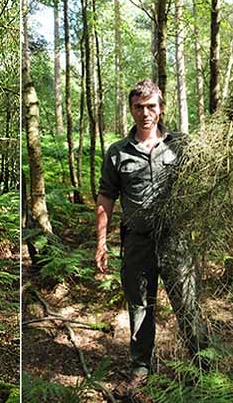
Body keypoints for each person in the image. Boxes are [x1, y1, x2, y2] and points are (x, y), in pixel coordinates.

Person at [95, 80, 208, 394]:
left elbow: (207, 174)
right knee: (140, 308)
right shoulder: (117, 152)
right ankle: (141, 370)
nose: (145, 113)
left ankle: (204, 369)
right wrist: (101, 242)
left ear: (161, 108)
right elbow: (106, 199)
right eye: (138, 107)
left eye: (151, 106)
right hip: (137, 243)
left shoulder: (180, 145)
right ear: (131, 109)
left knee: (188, 306)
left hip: (176, 243)